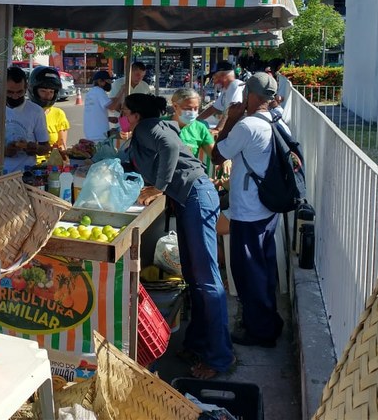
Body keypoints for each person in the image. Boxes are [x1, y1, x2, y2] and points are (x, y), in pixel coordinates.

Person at [121, 93, 234, 380]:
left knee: (208, 282)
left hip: (196, 196)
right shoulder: (145, 130)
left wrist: (160, 186)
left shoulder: (148, 126)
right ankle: (197, 344)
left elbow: (170, 147)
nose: (122, 115)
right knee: (195, 279)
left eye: (124, 112)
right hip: (190, 199)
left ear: (135, 114)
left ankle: (220, 358)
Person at [212, 72, 285, 348]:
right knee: (264, 268)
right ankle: (269, 321)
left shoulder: (248, 126)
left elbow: (217, 156)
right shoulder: (278, 119)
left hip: (249, 211)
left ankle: (259, 331)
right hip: (267, 207)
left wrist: (231, 118)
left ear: (251, 96)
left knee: (248, 273)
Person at [0, 66, 49, 173]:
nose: (15, 96)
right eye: (10, 92)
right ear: (2, 89)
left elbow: (45, 147)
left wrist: (35, 149)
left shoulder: (36, 111)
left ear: (26, 88)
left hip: (26, 174)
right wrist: (4, 152)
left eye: (20, 92)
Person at [27, 67, 69, 161]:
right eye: (43, 91)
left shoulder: (59, 114)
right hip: (27, 165)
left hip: (52, 166)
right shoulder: (24, 112)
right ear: (34, 90)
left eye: (51, 92)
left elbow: (61, 145)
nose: (47, 95)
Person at [197, 60, 245, 138]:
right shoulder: (225, 89)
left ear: (223, 76)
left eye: (214, 77)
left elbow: (232, 110)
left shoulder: (235, 85)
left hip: (240, 131)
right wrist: (196, 121)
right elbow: (213, 109)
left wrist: (218, 129)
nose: (214, 81)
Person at [170, 88, 214, 161]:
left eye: (196, 109)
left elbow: (214, 155)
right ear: (175, 106)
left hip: (189, 170)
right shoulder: (160, 124)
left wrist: (225, 160)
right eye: (188, 108)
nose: (192, 112)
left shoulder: (200, 128)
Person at [82, 70, 114, 142]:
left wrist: (107, 118)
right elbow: (112, 107)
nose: (109, 84)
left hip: (90, 133)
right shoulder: (100, 91)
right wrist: (122, 91)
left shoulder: (91, 93)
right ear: (100, 81)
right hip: (100, 134)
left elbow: (94, 113)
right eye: (108, 81)